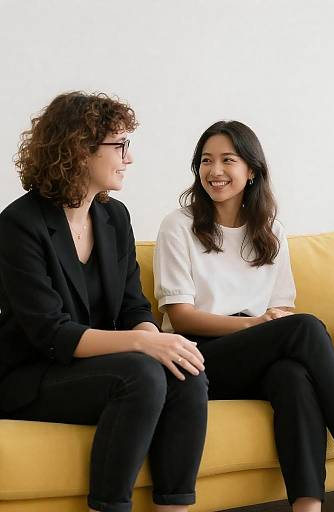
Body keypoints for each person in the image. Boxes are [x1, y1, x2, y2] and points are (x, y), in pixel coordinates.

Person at [153, 120, 334, 511]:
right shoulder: (179, 226)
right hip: (199, 355)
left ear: (252, 170)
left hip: (257, 350)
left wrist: (267, 324)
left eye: (227, 160)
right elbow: (182, 317)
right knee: (306, 327)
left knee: (293, 376)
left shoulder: (270, 229)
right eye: (206, 161)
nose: (215, 171)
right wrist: (256, 325)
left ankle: (307, 507)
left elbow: (281, 308)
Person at [0, 92, 208, 512]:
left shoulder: (115, 218)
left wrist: (157, 340)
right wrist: (142, 344)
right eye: (120, 145)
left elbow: (134, 307)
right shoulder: (18, 225)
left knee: (185, 370)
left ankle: (175, 508)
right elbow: (52, 334)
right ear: (79, 149)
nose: (128, 158)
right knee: (142, 374)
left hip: (96, 368)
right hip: (33, 375)